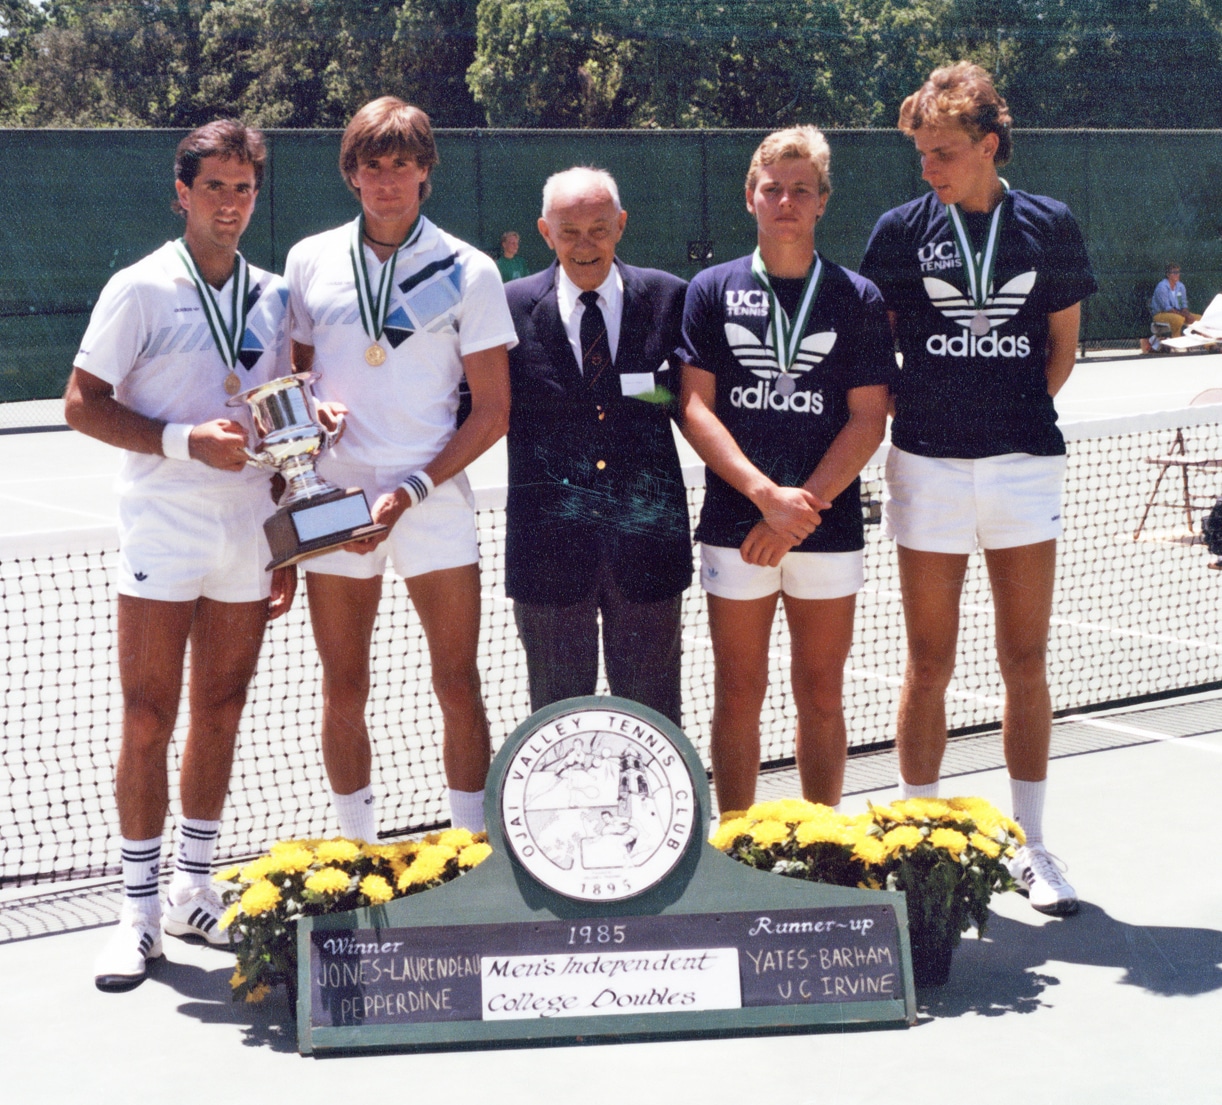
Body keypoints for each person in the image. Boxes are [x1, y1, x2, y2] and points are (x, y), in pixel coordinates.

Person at [860, 62, 1096, 915]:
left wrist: (1007, 417)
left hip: (1024, 468)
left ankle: (1034, 846)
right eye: (922, 154)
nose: (929, 168)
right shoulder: (899, 231)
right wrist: (941, 415)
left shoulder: (1049, 224)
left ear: (989, 145)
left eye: (944, 152)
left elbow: (1061, 350)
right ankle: (918, 840)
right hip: (926, 465)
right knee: (928, 661)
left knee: (1024, 660)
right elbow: (877, 348)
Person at [64, 120, 295, 991]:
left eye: (243, 189)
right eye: (215, 188)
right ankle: (136, 913)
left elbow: (280, 411)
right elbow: (81, 402)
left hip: (248, 532)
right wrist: (182, 440)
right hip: (161, 529)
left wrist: (287, 528)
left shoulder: (274, 297)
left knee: (222, 709)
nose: (230, 204)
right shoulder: (139, 288)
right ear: (182, 194)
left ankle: (194, 889)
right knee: (148, 715)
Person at [284, 97, 514, 839]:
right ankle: (357, 852)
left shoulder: (470, 270)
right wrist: (311, 409)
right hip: (334, 500)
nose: (387, 180)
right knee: (344, 684)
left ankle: (471, 848)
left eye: (402, 165)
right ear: (352, 174)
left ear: (425, 173)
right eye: (372, 165)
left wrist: (413, 489)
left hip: (433, 499)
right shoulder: (309, 260)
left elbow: (492, 411)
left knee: (457, 681)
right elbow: (293, 381)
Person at [677, 127, 892, 814]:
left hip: (825, 525)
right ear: (751, 197)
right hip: (735, 523)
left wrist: (799, 511)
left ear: (823, 200)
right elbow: (694, 406)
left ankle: (822, 841)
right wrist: (765, 497)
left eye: (802, 190)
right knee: (738, 691)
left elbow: (869, 418)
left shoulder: (857, 297)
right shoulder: (711, 289)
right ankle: (735, 838)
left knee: (821, 692)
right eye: (773, 189)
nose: (787, 201)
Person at [505, 168, 691, 724]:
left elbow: (696, 406)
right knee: (559, 723)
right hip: (548, 555)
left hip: (648, 550)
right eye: (569, 232)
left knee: (655, 719)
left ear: (622, 225)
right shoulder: (507, 308)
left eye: (599, 229)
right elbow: (469, 409)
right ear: (545, 232)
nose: (584, 245)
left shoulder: (670, 298)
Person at [1149, 262, 1199, 341]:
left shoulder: (1180, 286)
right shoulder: (1162, 287)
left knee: (1199, 319)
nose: (1177, 275)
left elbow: (1182, 304)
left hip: (1178, 313)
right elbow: (1167, 308)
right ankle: (1176, 342)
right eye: (1174, 272)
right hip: (1160, 314)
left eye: (1178, 272)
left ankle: (1209, 345)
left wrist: (1188, 314)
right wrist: (1186, 316)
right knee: (1178, 319)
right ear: (1168, 275)